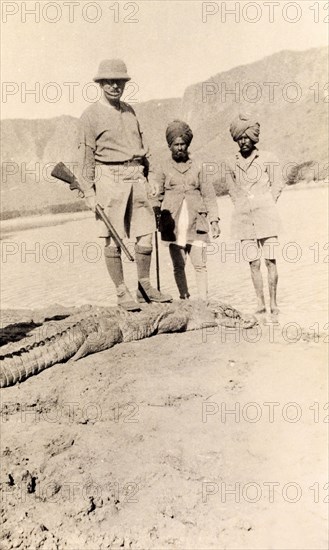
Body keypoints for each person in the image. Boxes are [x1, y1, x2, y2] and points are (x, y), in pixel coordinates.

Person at [77, 59, 172, 310]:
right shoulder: (90, 117)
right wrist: (88, 192)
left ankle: (144, 287)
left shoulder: (130, 111)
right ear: (100, 84)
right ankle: (121, 292)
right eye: (109, 81)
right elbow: (85, 159)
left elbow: (145, 150)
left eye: (119, 81)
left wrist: (151, 178)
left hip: (136, 176)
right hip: (108, 178)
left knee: (146, 235)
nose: (114, 86)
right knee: (112, 238)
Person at [151, 120, 220, 301]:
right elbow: (156, 196)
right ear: (170, 146)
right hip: (173, 225)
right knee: (178, 265)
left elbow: (209, 195)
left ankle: (204, 301)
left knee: (200, 264)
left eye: (183, 144)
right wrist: (156, 216)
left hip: (198, 223)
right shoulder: (162, 167)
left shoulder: (198, 166)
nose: (180, 148)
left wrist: (214, 221)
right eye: (176, 145)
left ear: (187, 145)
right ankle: (184, 298)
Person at [226, 113, 284, 314]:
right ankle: (260, 303)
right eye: (240, 138)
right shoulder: (231, 162)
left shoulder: (268, 158)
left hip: (267, 217)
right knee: (253, 263)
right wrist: (241, 205)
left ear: (254, 137)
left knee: (270, 261)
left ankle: (274, 303)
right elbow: (232, 189)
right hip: (243, 218)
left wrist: (268, 202)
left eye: (247, 137)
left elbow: (278, 183)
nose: (243, 141)